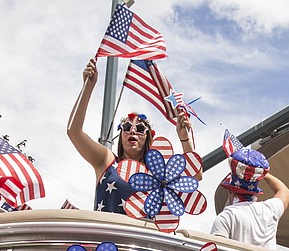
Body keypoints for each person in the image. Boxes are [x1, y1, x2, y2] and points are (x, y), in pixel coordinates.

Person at [68, 57, 198, 214]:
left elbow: (195, 176)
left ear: (148, 137)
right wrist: (87, 87)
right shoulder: (106, 162)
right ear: (121, 134)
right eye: (127, 126)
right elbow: (73, 131)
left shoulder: (159, 174)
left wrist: (185, 138)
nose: (132, 130)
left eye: (140, 128)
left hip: (142, 238)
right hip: (106, 237)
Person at [209, 143, 289, 249]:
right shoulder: (269, 210)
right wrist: (258, 172)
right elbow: (284, 190)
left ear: (230, 190)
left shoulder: (226, 217)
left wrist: (253, 171)